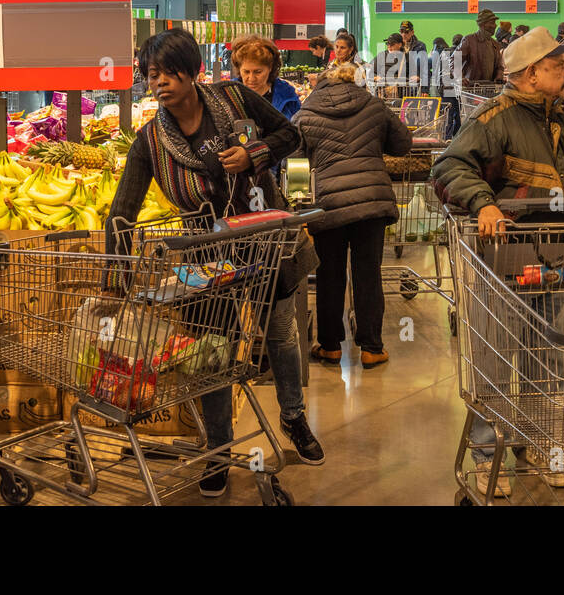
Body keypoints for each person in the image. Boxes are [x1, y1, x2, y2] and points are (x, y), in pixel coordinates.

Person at [105, 30, 324, 492]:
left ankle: (293, 415)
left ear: (193, 71)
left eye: (168, 71)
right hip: (206, 256)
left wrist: (253, 154)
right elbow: (122, 211)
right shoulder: (151, 142)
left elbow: (291, 134)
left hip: (264, 238)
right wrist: (117, 272)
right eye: (150, 74)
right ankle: (218, 451)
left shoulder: (235, 98)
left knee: (280, 332)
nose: (158, 82)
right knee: (214, 354)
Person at [431, 27, 564, 497]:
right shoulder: (492, 118)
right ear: (531, 74)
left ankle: (538, 442)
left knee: (545, 356)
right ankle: (485, 455)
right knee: (493, 359)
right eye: (558, 67)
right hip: (502, 259)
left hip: (556, 258)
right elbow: (450, 166)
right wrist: (484, 204)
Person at [294, 62, 413, 369]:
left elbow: (293, 164)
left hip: (327, 205)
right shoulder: (374, 105)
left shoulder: (305, 113)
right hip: (370, 203)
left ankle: (331, 346)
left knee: (329, 274)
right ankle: (372, 348)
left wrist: (300, 205)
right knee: (367, 273)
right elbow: (403, 145)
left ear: (321, 84)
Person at [232, 34, 300, 119]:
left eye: (258, 72)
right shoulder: (229, 93)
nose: (251, 78)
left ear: (270, 68)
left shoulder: (287, 95)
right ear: (239, 69)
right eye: (246, 72)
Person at [457, 9, 504, 88]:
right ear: (482, 24)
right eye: (492, 23)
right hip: (471, 88)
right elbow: (455, 60)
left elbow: (499, 66)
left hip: (489, 88)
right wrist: (460, 78)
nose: (495, 25)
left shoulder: (495, 44)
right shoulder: (469, 40)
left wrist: (499, 76)